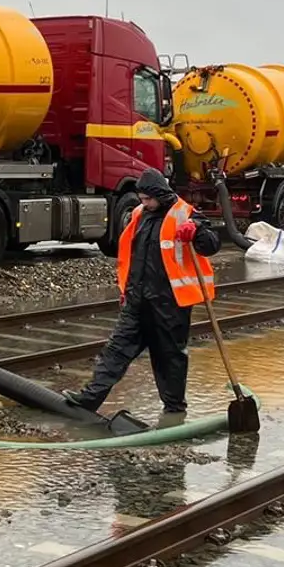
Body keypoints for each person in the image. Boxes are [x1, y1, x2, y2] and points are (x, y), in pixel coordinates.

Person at [63, 167, 221, 419]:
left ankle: (174, 410)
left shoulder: (186, 215)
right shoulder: (140, 214)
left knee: (169, 358)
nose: (143, 203)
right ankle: (89, 399)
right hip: (138, 301)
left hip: (170, 304)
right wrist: (127, 291)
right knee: (115, 351)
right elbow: (131, 257)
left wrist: (198, 232)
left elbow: (212, 245)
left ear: (159, 193)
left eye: (147, 198)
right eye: (141, 199)